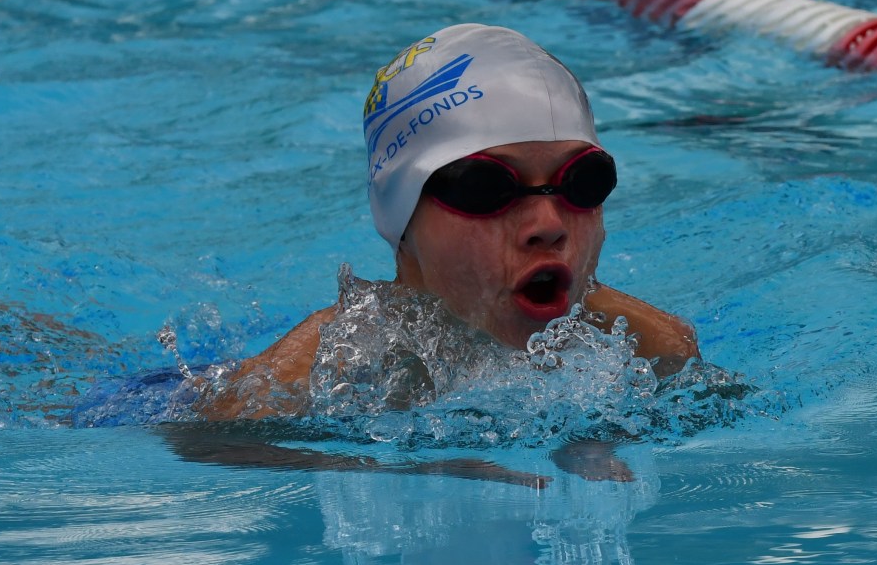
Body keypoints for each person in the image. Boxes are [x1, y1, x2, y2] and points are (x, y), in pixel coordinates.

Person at [198, 23, 699, 422]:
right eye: (486, 188)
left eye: (582, 182)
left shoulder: (657, 352)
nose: (549, 225)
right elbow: (212, 450)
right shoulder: (292, 388)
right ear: (403, 215)